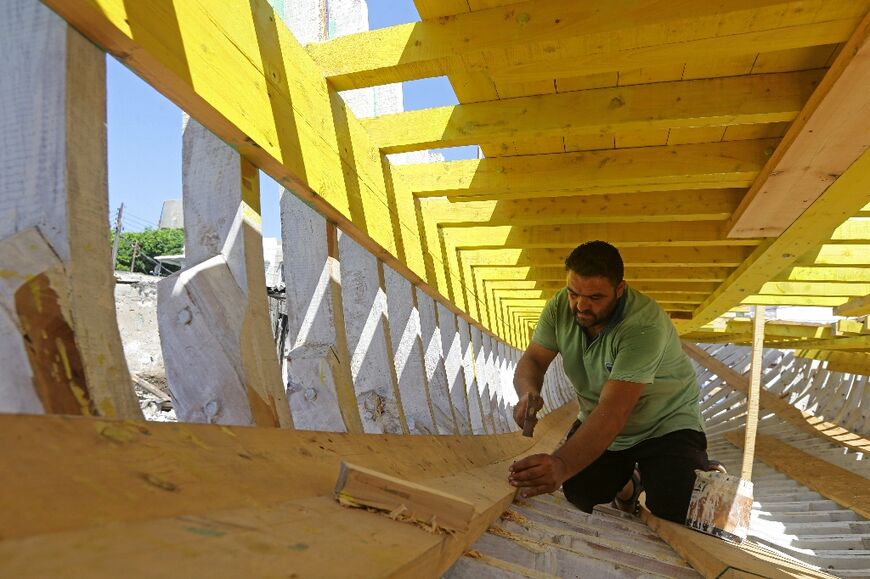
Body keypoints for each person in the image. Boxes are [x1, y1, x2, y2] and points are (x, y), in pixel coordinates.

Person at [508, 240, 708, 523]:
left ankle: (698, 470)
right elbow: (534, 361)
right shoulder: (559, 307)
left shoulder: (643, 326)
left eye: (595, 297)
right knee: (581, 492)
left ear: (620, 290)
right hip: (601, 418)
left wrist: (563, 463)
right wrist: (528, 394)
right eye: (573, 293)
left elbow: (614, 411)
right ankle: (630, 486)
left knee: (675, 506)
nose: (581, 306)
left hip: (664, 423)